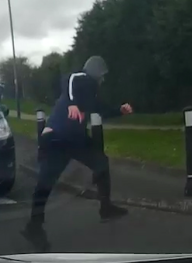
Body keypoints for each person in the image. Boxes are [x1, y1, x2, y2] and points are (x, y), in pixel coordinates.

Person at [20, 55, 133, 252]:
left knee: (101, 162)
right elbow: (69, 80)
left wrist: (119, 111)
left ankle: (105, 208)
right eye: (102, 75)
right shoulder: (79, 78)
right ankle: (34, 226)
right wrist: (72, 103)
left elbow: (101, 109)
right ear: (95, 73)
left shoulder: (91, 93)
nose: (103, 80)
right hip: (56, 138)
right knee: (46, 183)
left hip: (74, 139)